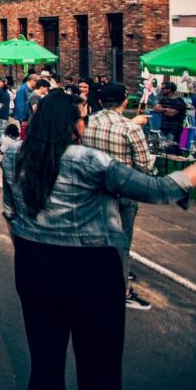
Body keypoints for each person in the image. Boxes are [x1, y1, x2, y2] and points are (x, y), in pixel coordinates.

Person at [1, 89, 196, 390]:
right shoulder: (91, 161)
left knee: (44, 365)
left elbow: (10, 213)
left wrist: (28, 248)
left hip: (34, 266)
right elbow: (160, 189)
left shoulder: (14, 156)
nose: (86, 124)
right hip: (91, 270)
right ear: (70, 124)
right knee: (99, 370)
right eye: (83, 119)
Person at [81, 83, 156, 310]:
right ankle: (121, 290)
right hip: (121, 191)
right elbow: (144, 165)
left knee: (92, 237)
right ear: (125, 101)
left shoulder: (86, 122)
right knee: (121, 242)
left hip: (92, 188)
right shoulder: (130, 128)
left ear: (100, 101)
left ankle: (91, 280)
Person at [154, 81, 188, 152]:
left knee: (172, 148)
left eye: (163, 89)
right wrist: (166, 109)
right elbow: (156, 108)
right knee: (164, 148)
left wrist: (162, 109)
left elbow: (172, 113)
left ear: (169, 89)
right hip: (164, 127)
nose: (161, 90)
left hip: (174, 129)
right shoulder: (163, 99)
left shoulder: (179, 101)